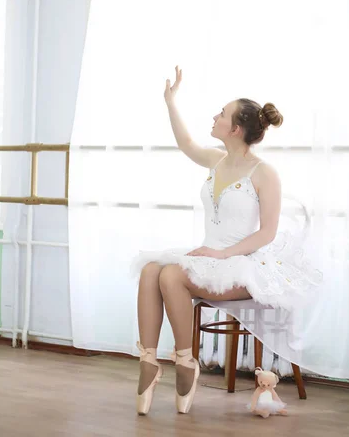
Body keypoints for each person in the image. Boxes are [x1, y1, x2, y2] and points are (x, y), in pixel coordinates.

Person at [133, 66, 321, 416]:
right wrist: (170, 101)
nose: (215, 116)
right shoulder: (216, 160)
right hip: (209, 257)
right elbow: (185, 143)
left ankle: (186, 361)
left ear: (235, 129)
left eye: (221, 114)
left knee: (170, 275)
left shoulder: (265, 172)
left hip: (242, 263)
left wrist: (222, 254)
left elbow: (267, 232)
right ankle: (148, 361)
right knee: (150, 270)